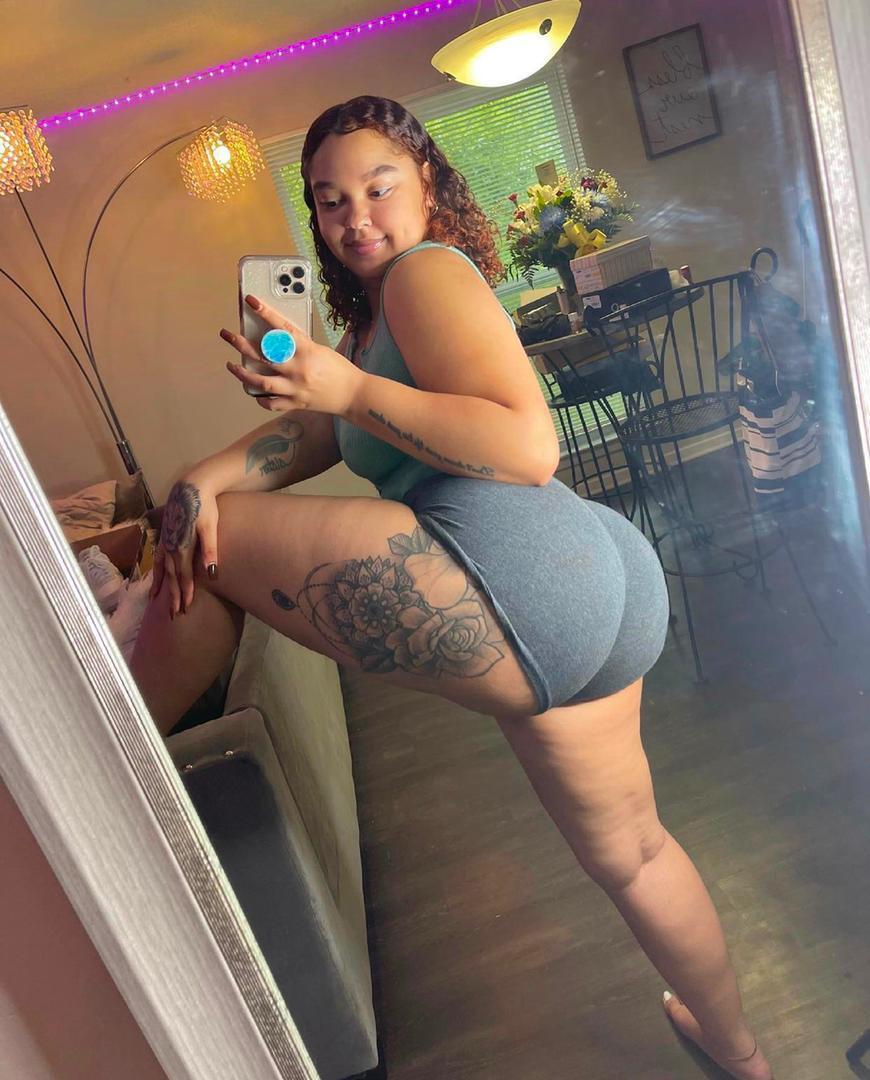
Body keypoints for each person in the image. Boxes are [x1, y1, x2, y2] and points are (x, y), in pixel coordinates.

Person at [129, 95, 772, 1079]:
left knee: (212, 551)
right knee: (634, 853)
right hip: (595, 580)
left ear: (426, 183)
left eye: (378, 187)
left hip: (516, 575)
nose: (355, 218)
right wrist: (208, 472)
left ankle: (99, 774)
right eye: (330, 201)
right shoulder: (380, 313)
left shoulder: (426, 274)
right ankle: (739, 1053)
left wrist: (345, 393)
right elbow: (324, 430)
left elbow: (526, 444)